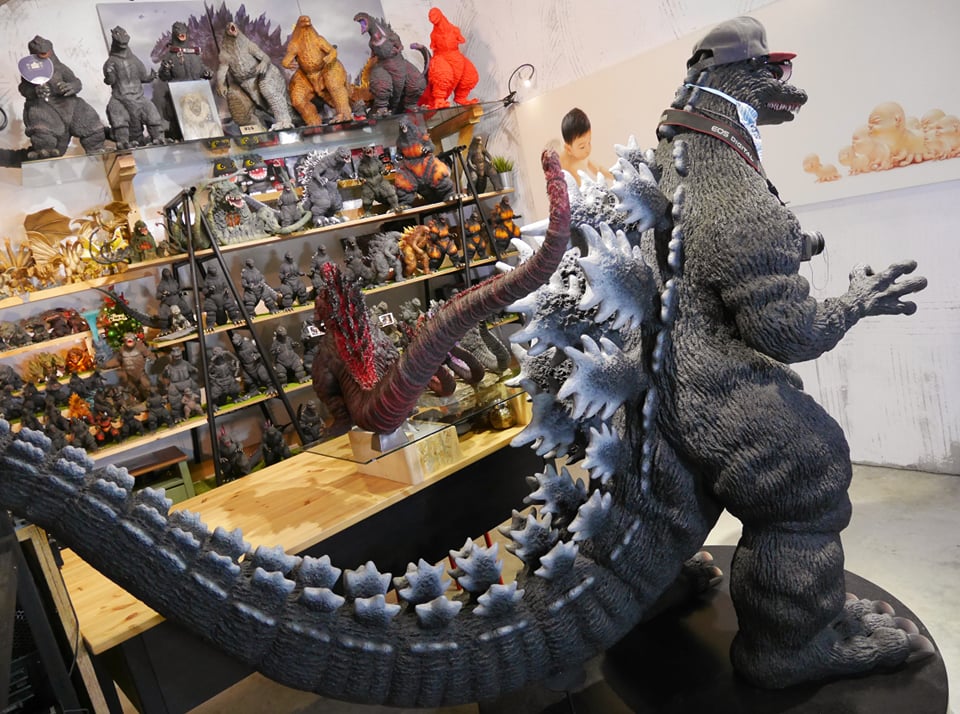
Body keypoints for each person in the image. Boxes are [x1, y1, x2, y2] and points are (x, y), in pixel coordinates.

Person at [557, 107, 611, 184]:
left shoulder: (581, 155)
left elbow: (598, 169)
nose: (588, 149)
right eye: (582, 147)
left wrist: (613, 175)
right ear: (569, 149)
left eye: (589, 142)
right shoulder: (568, 166)